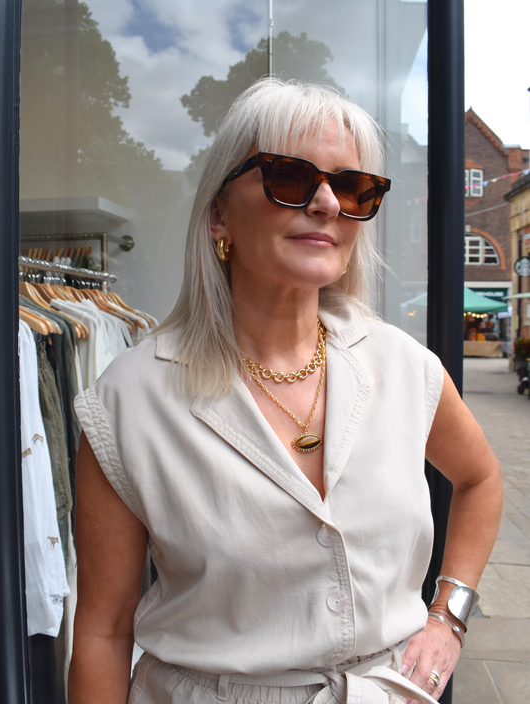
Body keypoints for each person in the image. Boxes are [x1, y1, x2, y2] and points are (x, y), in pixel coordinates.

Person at [68, 79, 502, 704]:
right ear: (219, 213)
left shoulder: (403, 367)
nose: (327, 203)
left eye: (353, 188)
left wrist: (449, 616)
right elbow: (104, 632)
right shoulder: (129, 403)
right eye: (291, 178)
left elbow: (482, 480)